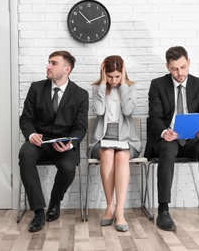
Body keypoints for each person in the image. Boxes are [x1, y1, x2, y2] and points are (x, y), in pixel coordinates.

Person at [144, 46, 199, 231]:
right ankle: (163, 210)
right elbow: (154, 117)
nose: (180, 73)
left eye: (183, 67)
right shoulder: (157, 85)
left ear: (189, 63)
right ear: (168, 67)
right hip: (168, 139)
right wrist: (164, 132)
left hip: (193, 139)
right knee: (167, 150)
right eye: (175, 69)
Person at [19, 50, 89, 232]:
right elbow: (26, 118)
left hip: (64, 143)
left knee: (68, 167)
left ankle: (55, 202)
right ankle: (38, 211)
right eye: (48, 62)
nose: (48, 66)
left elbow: (80, 127)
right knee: (25, 154)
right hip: (39, 142)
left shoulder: (80, 94)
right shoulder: (36, 88)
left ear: (67, 69)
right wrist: (31, 135)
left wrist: (71, 143)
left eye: (53, 63)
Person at [87, 55, 141, 232]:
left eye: (117, 76)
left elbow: (128, 111)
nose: (113, 80)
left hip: (126, 140)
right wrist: (103, 85)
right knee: (108, 153)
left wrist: (124, 84)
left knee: (122, 157)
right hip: (102, 139)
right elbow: (99, 110)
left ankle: (119, 211)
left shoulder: (130, 88)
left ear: (123, 73)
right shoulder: (98, 88)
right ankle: (110, 206)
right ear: (104, 74)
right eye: (110, 76)